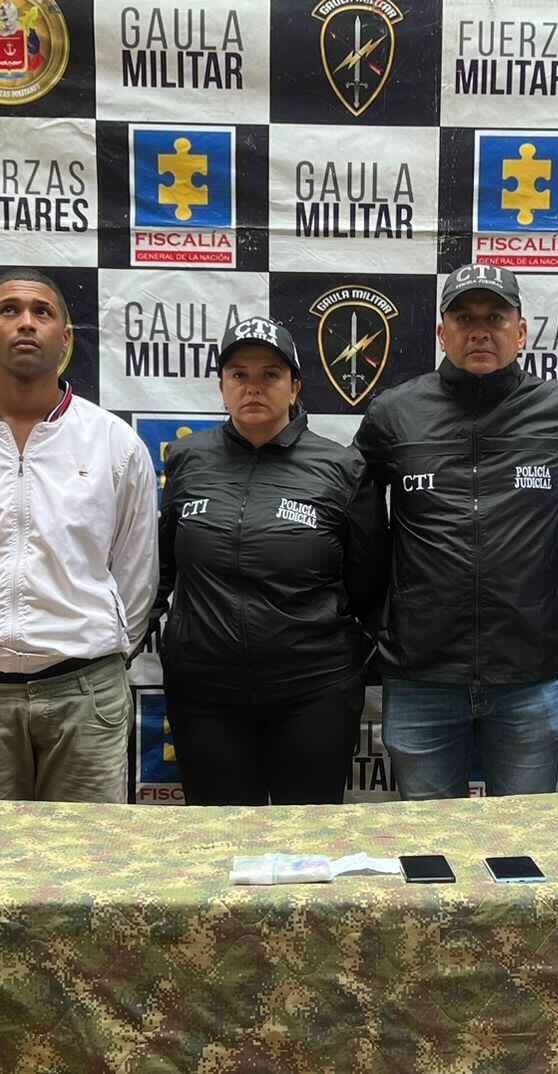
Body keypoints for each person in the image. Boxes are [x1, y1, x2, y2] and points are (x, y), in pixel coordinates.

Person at [354, 263, 558, 799]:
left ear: (520, 332)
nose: (479, 331)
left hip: (530, 671)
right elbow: (354, 519)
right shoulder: (393, 413)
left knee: (523, 841)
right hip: (420, 672)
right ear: (441, 332)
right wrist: (375, 608)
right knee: (430, 842)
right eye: (464, 318)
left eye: (495, 318)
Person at [0, 268, 157, 803]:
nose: (26, 323)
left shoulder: (114, 443)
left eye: (42, 312)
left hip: (87, 694)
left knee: (88, 852)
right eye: (10, 310)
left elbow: (135, 573)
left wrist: (96, 648)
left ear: (64, 338)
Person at [154, 318, 387, 805]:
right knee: (220, 837)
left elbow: (369, 581)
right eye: (239, 375)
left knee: (307, 837)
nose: (253, 387)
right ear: (222, 387)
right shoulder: (186, 459)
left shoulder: (342, 467)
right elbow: (165, 566)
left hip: (314, 692)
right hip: (205, 694)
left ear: (295, 387)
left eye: (270, 375)